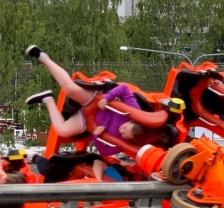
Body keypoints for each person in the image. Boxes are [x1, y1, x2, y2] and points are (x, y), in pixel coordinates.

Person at [23, 46, 163, 157]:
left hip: (89, 120)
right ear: (132, 121)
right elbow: (124, 89)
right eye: (126, 128)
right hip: (96, 100)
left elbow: (105, 152)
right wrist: (107, 98)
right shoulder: (134, 110)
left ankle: (47, 99)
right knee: (70, 89)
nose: (122, 131)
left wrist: (96, 135)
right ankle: (43, 57)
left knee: (63, 131)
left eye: (126, 134)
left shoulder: (124, 141)